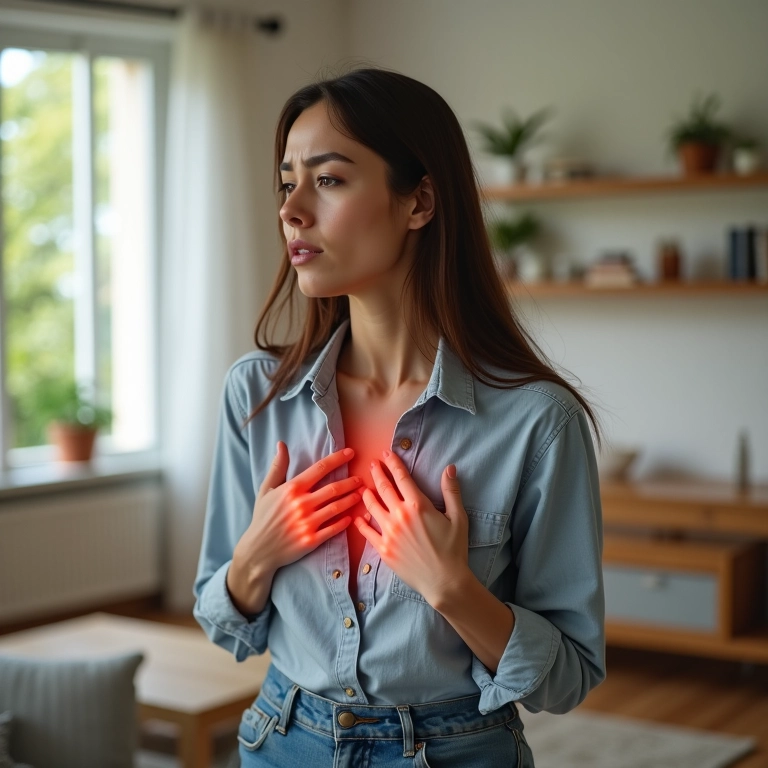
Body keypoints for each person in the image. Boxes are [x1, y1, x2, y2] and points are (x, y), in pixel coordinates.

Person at [193, 65, 606, 768]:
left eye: (328, 179)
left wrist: (454, 590)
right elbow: (222, 619)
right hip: (278, 740)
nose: (292, 209)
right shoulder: (257, 394)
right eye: (286, 182)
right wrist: (253, 557)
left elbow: (567, 677)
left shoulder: (538, 424)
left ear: (419, 202)